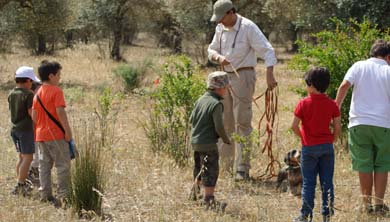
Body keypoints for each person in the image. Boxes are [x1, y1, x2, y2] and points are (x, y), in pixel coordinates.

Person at [207, 0, 277, 180]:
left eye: (222, 18)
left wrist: (270, 75)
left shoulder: (248, 27)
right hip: (223, 77)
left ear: (231, 12)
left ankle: (242, 168)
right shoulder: (220, 28)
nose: (219, 22)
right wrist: (217, 57)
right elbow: (211, 49)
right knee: (224, 121)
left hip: (243, 77)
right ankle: (225, 165)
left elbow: (268, 51)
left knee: (242, 121)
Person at [335, 40, 390, 216]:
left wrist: (335, 109)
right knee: (382, 164)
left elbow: (344, 86)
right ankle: (379, 205)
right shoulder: (388, 71)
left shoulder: (358, 66)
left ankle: (366, 205)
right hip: (384, 125)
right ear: (388, 56)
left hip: (359, 123)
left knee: (364, 164)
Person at [291, 67, 341, 222]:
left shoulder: (303, 104)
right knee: (327, 182)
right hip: (327, 147)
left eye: (307, 84)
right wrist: (332, 139)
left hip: (309, 148)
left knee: (308, 183)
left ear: (311, 85)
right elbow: (337, 127)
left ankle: (305, 215)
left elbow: (294, 126)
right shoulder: (332, 104)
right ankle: (326, 214)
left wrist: (303, 138)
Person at [32, 60, 73, 206]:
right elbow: (60, 111)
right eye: (58, 75)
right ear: (51, 76)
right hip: (56, 135)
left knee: (44, 166)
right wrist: (67, 131)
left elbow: (34, 117)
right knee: (62, 165)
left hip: (40, 136)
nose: (60, 78)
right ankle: (64, 195)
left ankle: (45, 194)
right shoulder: (56, 91)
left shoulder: (37, 93)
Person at [189, 71, 231, 209]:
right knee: (211, 170)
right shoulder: (216, 104)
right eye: (226, 87)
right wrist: (226, 139)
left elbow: (191, 119)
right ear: (220, 88)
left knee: (199, 168)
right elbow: (219, 126)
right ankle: (209, 199)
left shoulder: (200, 100)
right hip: (208, 143)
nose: (226, 90)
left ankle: (194, 194)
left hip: (196, 141)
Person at [8, 66, 40, 196]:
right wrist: (39, 124)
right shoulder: (28, 95)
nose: (32, 84)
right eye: (31, 81)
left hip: (15, 129)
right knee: (28, 158)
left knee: (21, 157)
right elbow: (31, 113)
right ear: (27, 80)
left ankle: (21, 180)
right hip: (26, 130)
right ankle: (20, 185)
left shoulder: (11, 94)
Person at [27, 81, 42, 185]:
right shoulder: (32, 100)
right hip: (33, 132)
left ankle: (34, 171)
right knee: (35, 154)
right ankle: (31, 172)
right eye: (39, 89)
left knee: (38, 154)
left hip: (39, 132)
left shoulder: (38, 99)